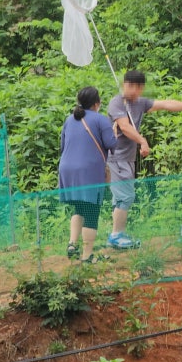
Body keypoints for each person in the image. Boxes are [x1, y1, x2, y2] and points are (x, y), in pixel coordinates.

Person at [107, 70, 182, 249]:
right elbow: (125, 127)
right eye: (129, 86)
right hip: (117, 157)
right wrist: (142, 141)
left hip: (127, 158)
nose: (133, 90)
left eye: (137, 87)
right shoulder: (116, 103)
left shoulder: (140, 103)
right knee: (126, 196)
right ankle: (116, 236)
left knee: (121, 197)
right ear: (124, 85)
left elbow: (166, 104)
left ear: (141, 88)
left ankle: (117, 234)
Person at [59, 87, 117, 263]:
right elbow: (111, 144)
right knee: (92, 211)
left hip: (67, 168)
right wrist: (114, 132)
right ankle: (87, 256)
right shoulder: (101, 119)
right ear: (97, 103)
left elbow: (62, 146)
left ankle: (72, 244)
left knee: (80, 207)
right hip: (88, 170)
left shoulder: (69, 120)